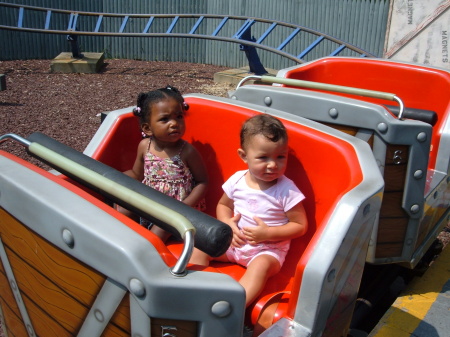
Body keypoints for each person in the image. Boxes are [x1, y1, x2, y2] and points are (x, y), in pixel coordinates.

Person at [190, 114, 308, 307]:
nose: (273, 164)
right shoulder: (237, 180)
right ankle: (189, 287)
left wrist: (268, 233)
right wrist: (227, 224)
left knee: (260, 268)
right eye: (263, 157)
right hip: (234, 243)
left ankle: (233, 306)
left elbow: (300, 225)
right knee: (200, 247)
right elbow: (223, 206)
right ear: (244, 156)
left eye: (281, 157)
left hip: (267, 250)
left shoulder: (287, 189)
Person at [123, 86, 208, 242]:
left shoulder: (187, 151)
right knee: (122, 210)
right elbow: (137, 174)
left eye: (179, 117)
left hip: (177, 210)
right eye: (165, 119)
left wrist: (185, 206)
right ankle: (121, 243)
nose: (174, 123)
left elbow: (202, 182)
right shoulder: (144, 146)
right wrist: (116, 179)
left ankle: (147, 253)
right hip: (151, 202)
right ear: (147, 128)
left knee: (158, 232)